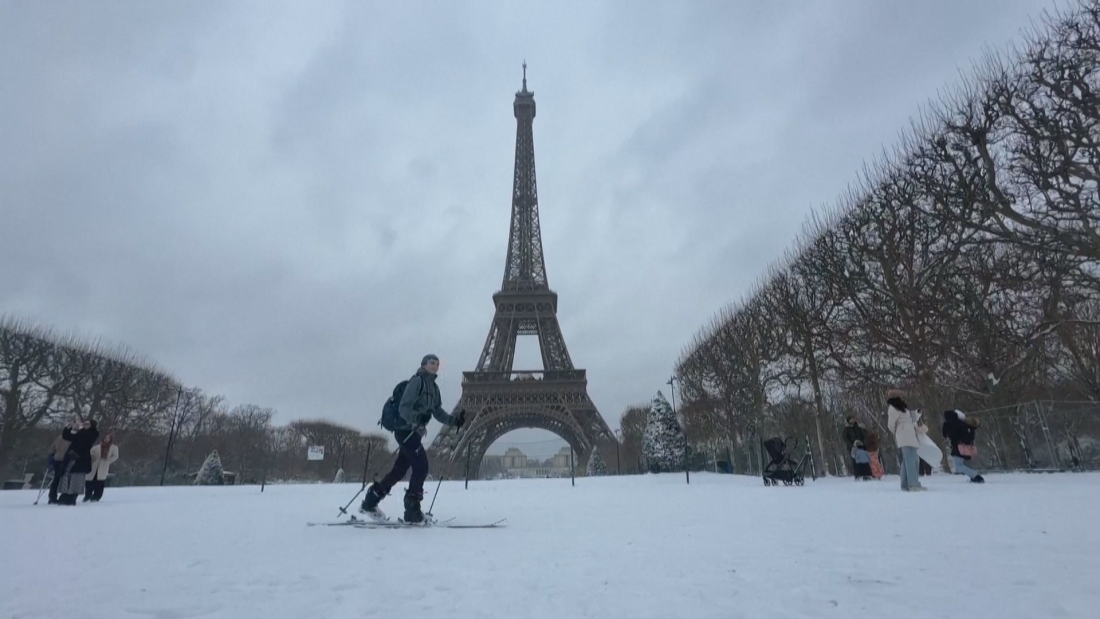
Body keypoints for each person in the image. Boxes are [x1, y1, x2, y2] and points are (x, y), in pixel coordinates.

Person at [360, 354, 466, 523]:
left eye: (437, 363)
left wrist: (454, 421)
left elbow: (437, 411)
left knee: (399, 471)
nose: (434, 366)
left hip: (414, 432)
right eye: (431, 363)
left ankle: (371, 500)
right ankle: (412, 509)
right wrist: (417, 420)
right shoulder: (417, 382)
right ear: (424, 365)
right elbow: (404, 408)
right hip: (405, 430)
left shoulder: (434, 388)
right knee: (421, 466)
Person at [886, 390, 927, 492]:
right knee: (911, 460)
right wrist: (898, 431)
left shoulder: (902, 408)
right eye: (901, 396)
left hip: (909, 433)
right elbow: (890, 424)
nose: (903, 398)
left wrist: (917, 414)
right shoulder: (893, 408)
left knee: (908, 460)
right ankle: (913, 484)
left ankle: (905, 484)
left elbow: (910, 419)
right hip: (904, 434)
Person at [57, 418, 99, 505]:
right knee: (66, 476)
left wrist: (80, 427)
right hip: (71, 457)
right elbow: (67, 437)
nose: (85, 425)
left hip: (81, 459)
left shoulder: (93, 432)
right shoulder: (81, 432)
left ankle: (72, 497)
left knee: (76, 478)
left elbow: (85, 439)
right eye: (84, 423)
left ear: (92, 425)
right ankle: (64, 495)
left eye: (87, 424)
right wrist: (68, 427)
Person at [942, 410, 985, 483]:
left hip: (959, 448)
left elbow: (949, 434)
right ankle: (974, 476)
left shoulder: (957, 426)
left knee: (958, 465)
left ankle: (976, 476)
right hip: (964, 447)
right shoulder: (966, 426)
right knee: (960, 464)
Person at [84, 433, 119, 502]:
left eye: (108, 438)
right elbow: (90, 454)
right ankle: (87, 496)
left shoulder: (114, 448)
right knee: (89, 483)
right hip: (94, 466)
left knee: (100, 483)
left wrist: (108, 461)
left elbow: (115, 456)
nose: (106, 439)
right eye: (105, 438)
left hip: (103, 466)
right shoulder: (96, 447)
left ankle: (96, 497)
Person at [46, 431, 71, 504]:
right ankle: (64, 495)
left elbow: (52, 449)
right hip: (66, 460)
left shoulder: (59, 438)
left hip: (57, 459)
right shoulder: (73, 438)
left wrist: (51, 458)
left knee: (56, 479)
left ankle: (52, 497)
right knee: (64, 479)